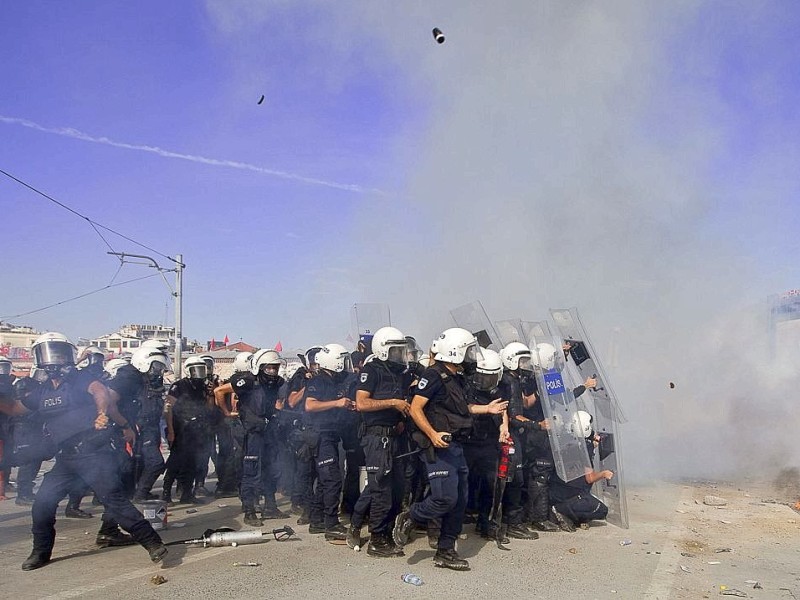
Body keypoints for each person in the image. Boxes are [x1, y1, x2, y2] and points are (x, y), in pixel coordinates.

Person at [0, 332, 167, 571]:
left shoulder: (80, 378)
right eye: (50, 353)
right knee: (42, 506)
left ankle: (153, 544)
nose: (54, 359)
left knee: (115, 500)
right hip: (66, 459)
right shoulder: (43, 390)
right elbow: (16, 408)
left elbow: (100, 392)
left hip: (94, 454)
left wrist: (102, 414)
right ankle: (40, 552)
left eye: (58, 352)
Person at [393, 328, 507, 571]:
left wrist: (487, 409)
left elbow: (462, 408)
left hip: (456, 446)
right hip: (438, 446)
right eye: (468, 350)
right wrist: (432, 434)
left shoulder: (457, 377)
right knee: (445, 498)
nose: (471, 355)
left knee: (459, 501)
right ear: (455, 352)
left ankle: (445, 551)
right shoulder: (433, 375)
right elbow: (416, 408)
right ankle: (412, 516)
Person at [348, 327, 411, 558]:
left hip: (394, 435)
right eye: (395, 350)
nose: (399, 355)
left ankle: (367, 527)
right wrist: (393, 403)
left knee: (394, 488)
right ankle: (376, 539)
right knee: (381, 489)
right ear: (383, 350)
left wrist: (400, 417)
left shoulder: (399, 372)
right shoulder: (371, 370)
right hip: (376, 437)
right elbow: (362, 403)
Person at [106, 346, 170, 502]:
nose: (158, 371)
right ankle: (139, 494)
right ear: (144, 362)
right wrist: (126, 426)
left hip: (150, 428)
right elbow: (110, 402)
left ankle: (139, 493)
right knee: (155, 463)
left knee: (141, 463)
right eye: (156, 366)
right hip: (138, 428)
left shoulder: (147, 381)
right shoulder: (129, 378)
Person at [304, 343, 354, 542]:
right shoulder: (319, 381)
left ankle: (317, 519)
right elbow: (309, 405)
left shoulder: (336, 380)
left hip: (331, 435)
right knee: (333, 479)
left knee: (326, 482)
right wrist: (337, 403)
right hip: (320, 435)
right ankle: (331, 523)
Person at [463, 347, 514, 540]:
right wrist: (486, 409)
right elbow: (463, 408)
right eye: (481, 376)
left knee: (490, 485)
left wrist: (504, 427)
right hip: (468, 439)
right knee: (460, 484)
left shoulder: (501, 388)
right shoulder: (467, 385)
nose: (483, 381)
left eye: (489, 377)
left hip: (488, 441)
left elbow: (503, 410)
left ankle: (485, 524)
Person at [549, 411, 613, 527]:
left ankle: (566, 511)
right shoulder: (585, 448)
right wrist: (604, 474)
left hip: (555, 491)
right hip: (571, 494)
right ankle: (561, 510)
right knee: (601, 510)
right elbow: (590, 478)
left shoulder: (563, 441)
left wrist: (591, 445)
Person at [163, 356, 212, 505]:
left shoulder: (203, 387)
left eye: (201, 370)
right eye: (196, 370)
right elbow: (167, 408)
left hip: (197, 430)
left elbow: (209, 408)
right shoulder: (179, 386)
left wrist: (210, 393)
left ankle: (187, 494)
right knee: (175, 462)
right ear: (188, 371)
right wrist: (171, 431)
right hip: (181, 429)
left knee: (193, 463)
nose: (199, 373)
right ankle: (166, 493)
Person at [211, 351, 252, 498]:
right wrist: (227, 412)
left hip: (230, 423)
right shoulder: (241, 380)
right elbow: (218, 392)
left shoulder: (237, 379)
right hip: (233, 423)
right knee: (235, 456)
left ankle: (228, 486)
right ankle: (226, 487)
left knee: (231, 455)